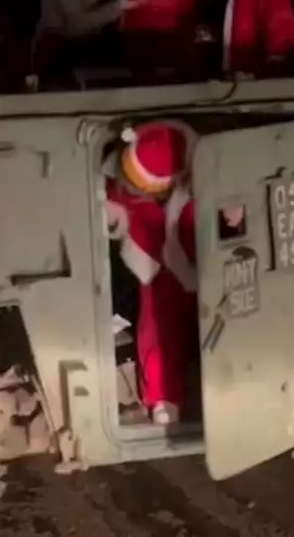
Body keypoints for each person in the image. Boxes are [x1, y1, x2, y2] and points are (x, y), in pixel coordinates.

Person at [103, 122, 198, 425]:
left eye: (135, 183)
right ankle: (163, 398)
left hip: (197, 264)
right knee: (158, 327)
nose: (127, 185)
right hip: (157, 272)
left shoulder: (192, 192)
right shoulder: (126, 187)